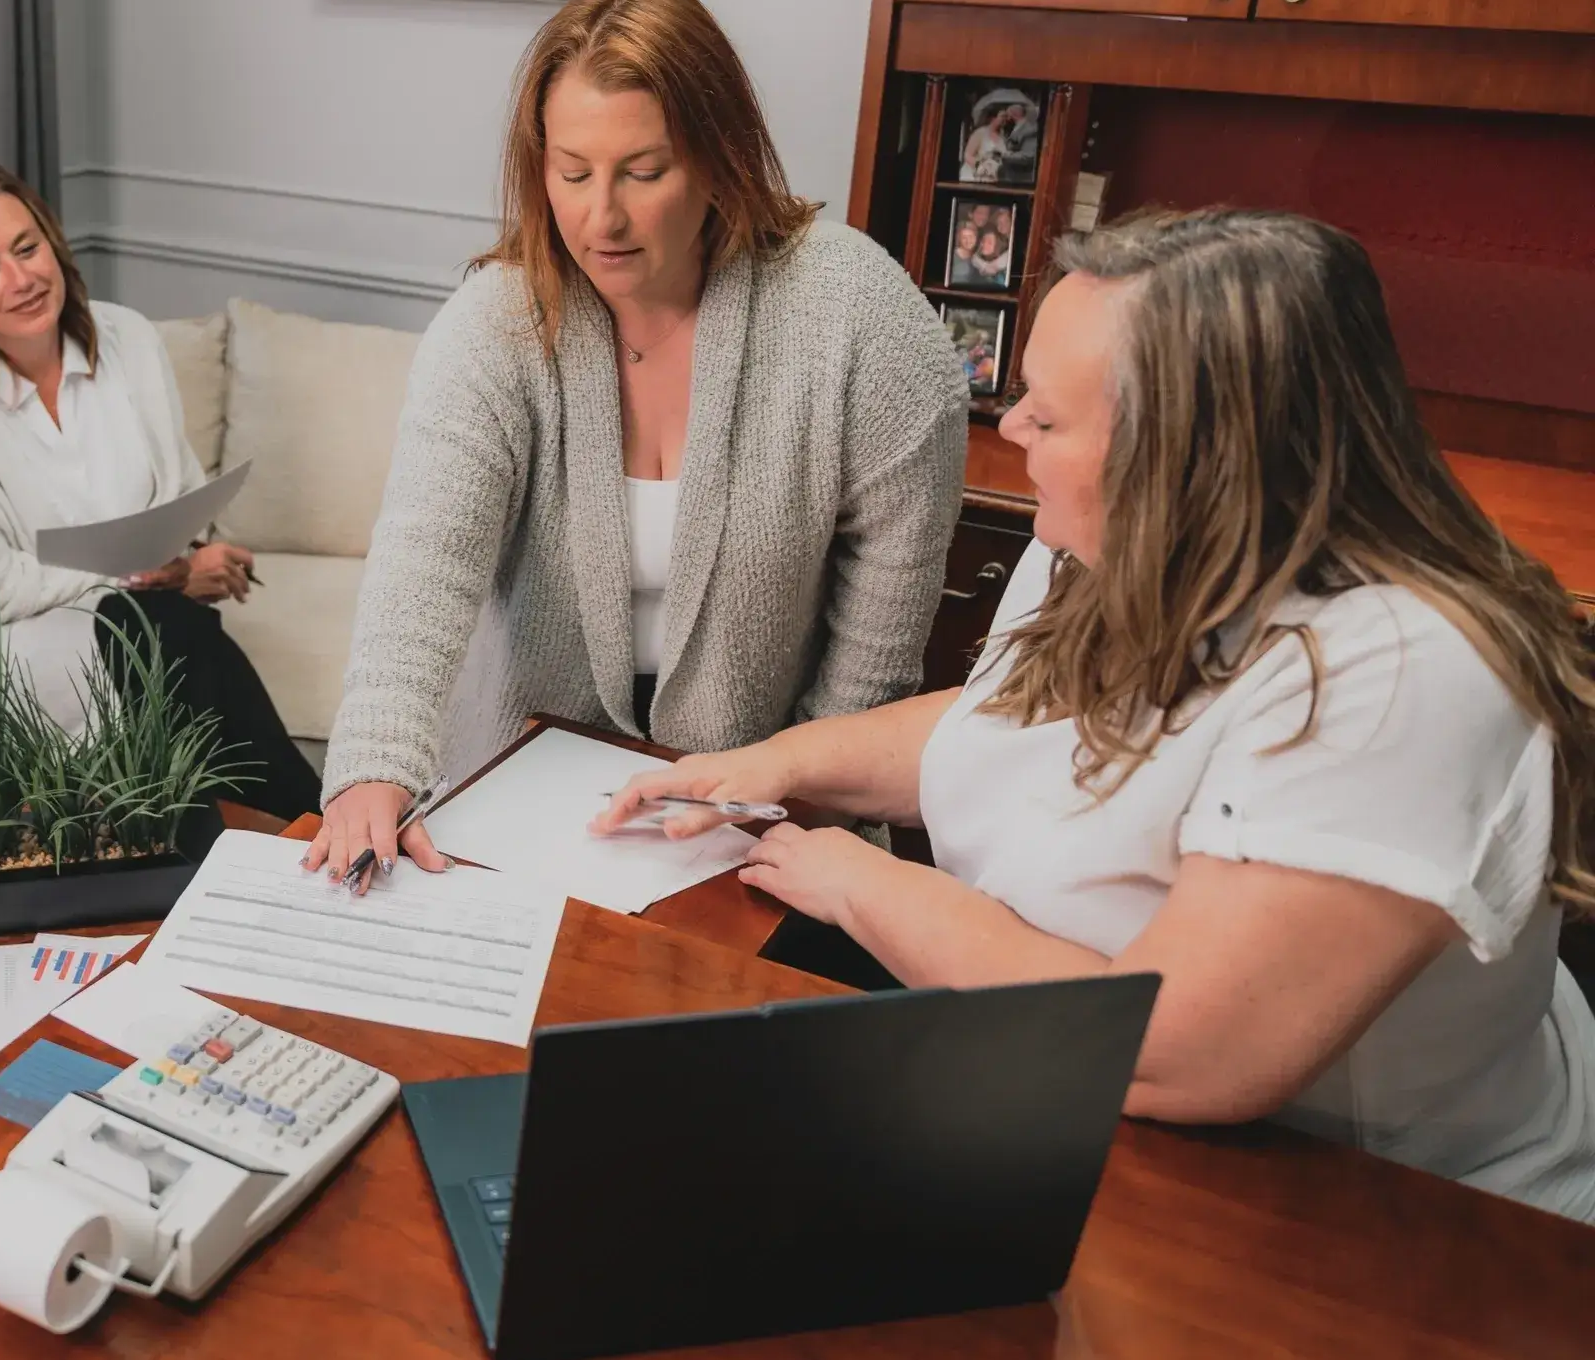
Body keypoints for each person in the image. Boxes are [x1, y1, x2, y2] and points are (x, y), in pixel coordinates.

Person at [601, 210, 1595, 1220]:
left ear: (1186, 454)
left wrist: (862, 886)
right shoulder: (1098, 536)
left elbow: (1168, 1054)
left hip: (1377, 1217)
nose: (1010, 428)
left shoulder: (1406, 676)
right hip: (1052, 1095)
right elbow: (1008, 724)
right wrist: (775, 762)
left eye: (1048, 413)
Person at [306, 0, 970, 881]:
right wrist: (373, 765)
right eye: (571, 172)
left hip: (768, 823)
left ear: (719, 158)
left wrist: (785, 821)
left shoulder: (861, 324)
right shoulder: (496, 323)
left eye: (643, 172)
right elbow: (423, 564)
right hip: (517, 805)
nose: (600, 216)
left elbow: (872, 670)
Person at [0, 162, 321, 821]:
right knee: (166, 634)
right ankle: (313, 826)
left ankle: (269, 845)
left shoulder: (126, 337)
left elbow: (176, 494)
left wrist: (186, 557)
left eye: (26, 247)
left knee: (169, 641)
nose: (20, 280)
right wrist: (167, 579)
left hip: (131, 620)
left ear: (53, 241)